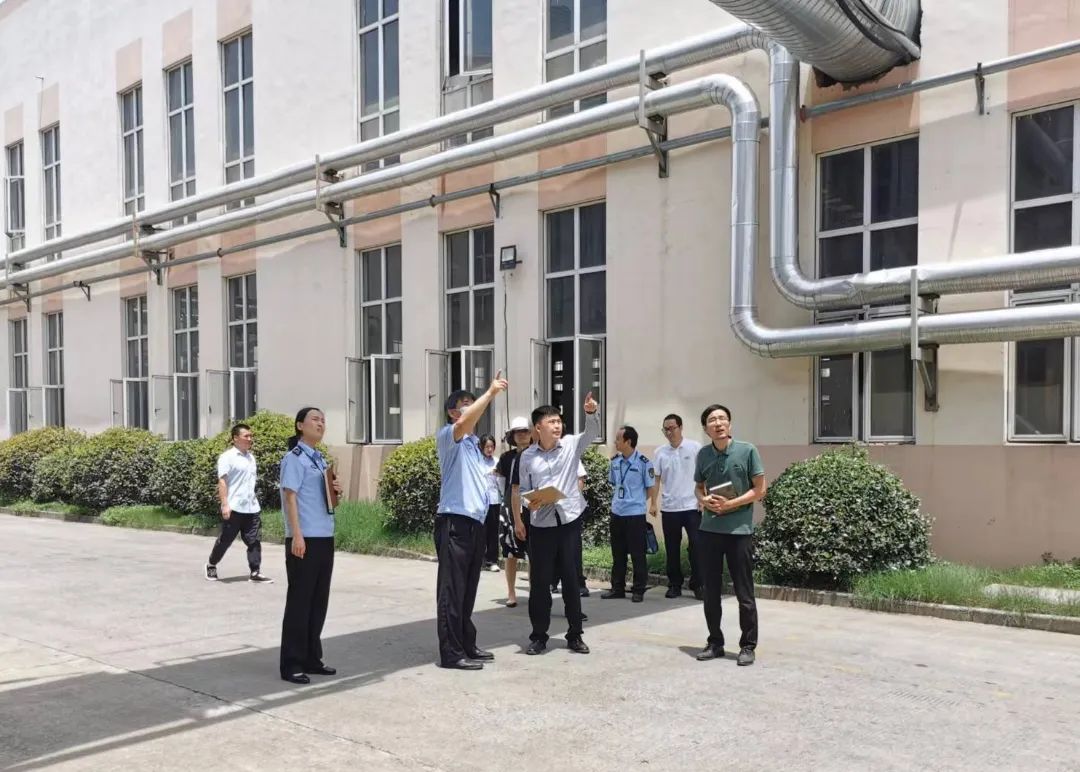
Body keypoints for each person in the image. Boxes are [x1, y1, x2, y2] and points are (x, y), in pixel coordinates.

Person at [513, 392, 599, 656]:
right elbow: (524, 490)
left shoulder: (571, 445)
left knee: (572, 581)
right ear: (538, 428)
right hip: (542, 525)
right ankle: (539, 636)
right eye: (551, 422)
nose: (557, 425)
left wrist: (590, 413)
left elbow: (591, 433)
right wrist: (530, 503)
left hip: (569, 521)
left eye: (559, 421)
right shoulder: (527, 456)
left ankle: (575, 635)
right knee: (540, 584)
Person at [435, 373, 508, 671]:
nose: (471, 406)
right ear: (453, 412)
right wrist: (489, 393)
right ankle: (451, 653)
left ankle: (466, 643)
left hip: (475, 524)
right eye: (465, 403)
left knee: (468, 590)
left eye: (472, 401)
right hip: (455, 521)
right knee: (452, 592)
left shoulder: (475, 445)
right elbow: (464, 424)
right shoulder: (448, 435)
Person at [693, 403, 766, 667]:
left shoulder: (747, 450)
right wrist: (703, 500)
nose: (718, 423)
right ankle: (715, 642)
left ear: (730, 424)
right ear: (706, 429)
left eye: (722, 418)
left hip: (739, 532)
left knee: (744, 592)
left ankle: (748, 646)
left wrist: (730, 504)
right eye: (712, 420)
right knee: (710, 591)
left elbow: (760, 489)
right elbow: (699, 487)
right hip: (709, 531)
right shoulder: (703, 454)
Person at [279, 407, 342, 685]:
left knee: (318, 602)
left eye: (323, 420)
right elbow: (290, 497)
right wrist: (296, 535)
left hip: (324, 535)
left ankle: (312, 658)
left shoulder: (319, 459)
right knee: (300, 603)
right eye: (315, 419)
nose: (320, 424)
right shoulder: (294, 458)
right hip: (304, 538)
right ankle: (292, 663)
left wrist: (335, 491)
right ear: (299, 426)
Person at [204, 423, 272, 583]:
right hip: (234, 507)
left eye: (251, 436)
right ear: (235, 438)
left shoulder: (251, 458)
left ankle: (255, 572)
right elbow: (222, 482)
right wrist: (224, 504)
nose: (250, 439)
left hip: (251, 507)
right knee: (225, 540)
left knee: (254, 540)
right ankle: (211, 564)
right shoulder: (227, 457)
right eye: (246, 436)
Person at [601, 426, 656, 603]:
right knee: (618, 554)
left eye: (618, 439)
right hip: (617, 513)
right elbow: (614, 483)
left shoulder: (644, 463)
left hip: (635, 515)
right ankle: (617, 588)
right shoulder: (615, 462)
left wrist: (637, 501)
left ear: (628, 441)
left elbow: (650, 488)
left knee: (637, 554)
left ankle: (639, 589)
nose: (615, 442)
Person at [654, 414, 704, 599]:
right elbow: (656, 479)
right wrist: (653, 502)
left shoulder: (695, 447)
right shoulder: (660, 452)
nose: (669, 432)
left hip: (692, 506)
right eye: (666, 429)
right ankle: (674, 584)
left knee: (697, 547)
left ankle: (698, 584)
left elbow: (703, 475)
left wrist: (703, 499)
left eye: (672, 428)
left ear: (681, 427)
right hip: (670, 508)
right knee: (672, 548)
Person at [496, 417, 532, 607]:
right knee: (510, 553)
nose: (522, 435)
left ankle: (535, 591)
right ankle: (511, 592)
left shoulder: (536, 453)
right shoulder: (506, 458)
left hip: (532, 504)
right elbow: (502, 483)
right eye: (518, 432)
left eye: (525, 431)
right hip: (510, 505)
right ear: (512, 435)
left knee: (533, 552)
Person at [479, 434, 502, 573]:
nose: (489, 449)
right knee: (480, 531)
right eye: (487, 446)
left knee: (493, 532)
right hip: (480, 501)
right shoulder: (477, 461)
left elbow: (501, 481)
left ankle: (492, 560)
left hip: (494, 500)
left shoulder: (497, 461)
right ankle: (479, 560)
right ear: (482, 447)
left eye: (492, 446)